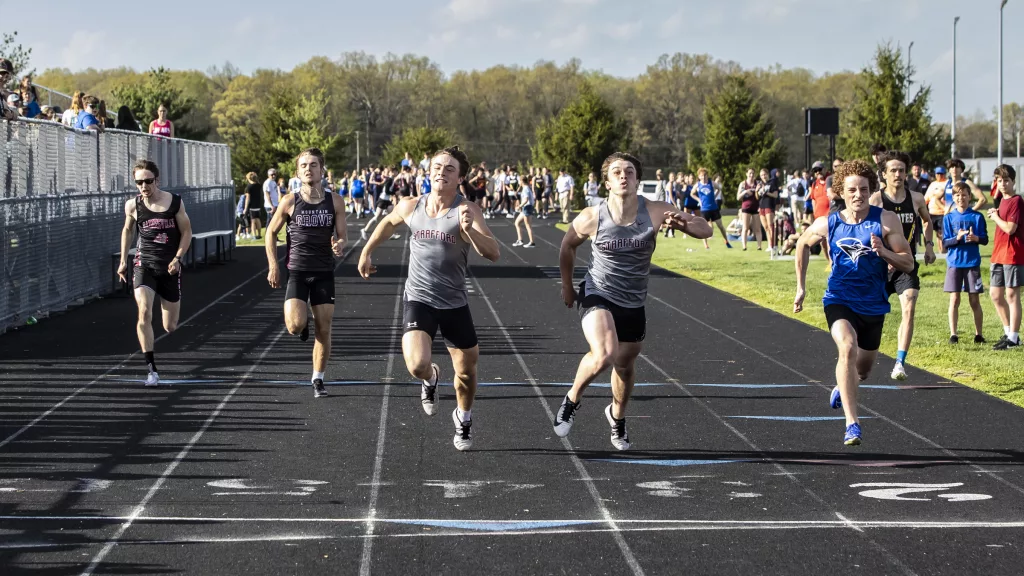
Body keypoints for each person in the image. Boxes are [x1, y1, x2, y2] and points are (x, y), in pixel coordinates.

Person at [554, 152, 712, 450]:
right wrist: (566, 286)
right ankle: (572, 399)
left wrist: (685, 226)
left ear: (638, 179)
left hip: (633, 300)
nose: (623, 175)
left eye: (629, 171)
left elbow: (706, 229)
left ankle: (616, 417)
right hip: (597, 291)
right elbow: (567, 245)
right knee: (604, 353)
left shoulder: (656, 211)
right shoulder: (592, 216)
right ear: (607, 182)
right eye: (616, 172)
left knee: (624, 366)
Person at [358, 146, 500, 451]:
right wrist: (367, 251)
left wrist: (469, 232)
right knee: (417, 365)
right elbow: (388, 222)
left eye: (449, 169)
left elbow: (493, 253)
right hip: (419, 298)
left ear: (461, 177)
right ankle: (431, 377)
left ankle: (463, 418)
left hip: (453, 303)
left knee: (465, 373)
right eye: (437, 166)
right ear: (428, 171)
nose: (441, 172)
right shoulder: (412, 206)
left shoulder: (468, 210)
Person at [793, 159, 914, 446]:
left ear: (871, 189)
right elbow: (801, 244)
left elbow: (907, 262)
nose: (858, 195)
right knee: (846, 347)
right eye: (852, 190)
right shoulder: (828, 222)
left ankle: (842, 386)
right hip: (839, 298)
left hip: (873, 302)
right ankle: (852, 424)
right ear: (841, 192)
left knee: (863, 371)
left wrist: (884, 252)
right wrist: (801, 287)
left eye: (863, 189)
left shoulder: (886, 220)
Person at [264, 148, 348, 398]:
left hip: (323, 271)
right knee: (294, 325)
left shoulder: (335, 201)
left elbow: (342, 235)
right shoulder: (290, 201)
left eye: (313, 165)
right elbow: (270, 232)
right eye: (304, 166)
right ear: (298, 172)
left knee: (324, 328)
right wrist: (273, 265)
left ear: (322, 170)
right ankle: (302, 325)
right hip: (297, 271)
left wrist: (340, 244)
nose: (309, 169)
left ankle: (318, 378)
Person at [117, 159, 193, 386]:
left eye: (148, 181)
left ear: (157, 180)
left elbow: (187, 231)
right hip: (144, 265)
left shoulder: (174, 202)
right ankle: (151, 369)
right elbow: (127, 230)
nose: (144, 186)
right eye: (139, 182)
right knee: (144, 312)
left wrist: (178, 258)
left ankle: (166, 319)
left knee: (170, 326)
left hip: (169, 267)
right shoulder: (133, 205)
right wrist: (123, 260)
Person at [868, 150, 936, 381]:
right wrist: (882, 255)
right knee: (871, 316)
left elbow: (927, 221)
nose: (898, 174)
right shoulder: (876, 200)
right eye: (893, 171)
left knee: (909, 305)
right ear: (884, 174)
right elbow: (865, 229)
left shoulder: (916, 198)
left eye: (901, 170)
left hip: (905, 264)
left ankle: (899, 363)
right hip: (879, 266)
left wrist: (928, 245)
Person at [943, 182, 988, 344]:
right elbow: (945, 243)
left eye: (964, 195)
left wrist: (976, 238)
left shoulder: (977, 217)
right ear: (953, 197)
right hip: (954, 263)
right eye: (957, 195)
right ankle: (953, 334)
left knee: (974, 300)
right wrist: (958, 238)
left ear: (970, 197)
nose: (961, 198)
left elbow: (985, 239)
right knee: (954, 299)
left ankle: (979, 334)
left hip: (972, 263)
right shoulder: (948, 218)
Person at [988, 164, 1024, 350]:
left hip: (1012, 253)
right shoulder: (1001, 200)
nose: (1002, 184)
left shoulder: (1016, 201)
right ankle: (1009, 332)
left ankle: (1014, 337)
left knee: (1011, 295)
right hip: (998, 253)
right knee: (995, 295)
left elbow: (1010, 228)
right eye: (999, 180)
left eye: (1006, 180)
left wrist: (994, 217)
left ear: (1013, 181)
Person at [690, 167, 732, 250]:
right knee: (704, 227)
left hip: (714, 208)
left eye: (705, 175)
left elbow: (719, 188)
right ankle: (706, 245)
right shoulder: (698, 185)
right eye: (702, 175)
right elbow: (692, 193)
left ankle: (726, 241)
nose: (704, 177)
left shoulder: (711, 183)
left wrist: (715, 196)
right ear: (699, 176)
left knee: (720, 226)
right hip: (704, 209)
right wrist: (699, 200)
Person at [362, 167, 402, 241]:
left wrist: (396, 190)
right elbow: (386, 191)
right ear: (393, 172)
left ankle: (391, 233)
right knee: (376, 217)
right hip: (383, 200)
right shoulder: (389, 179)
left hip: (387, 200)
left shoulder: (391, 180)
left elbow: (389, 189)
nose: (397, 173)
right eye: (396, 172)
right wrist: (394, 193)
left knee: (391, 216)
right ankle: (364, 230)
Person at [924, 166, 949, 253]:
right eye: (938, 174)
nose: (939, 176)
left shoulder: (947, 183)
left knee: (941, 232)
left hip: (943, 212)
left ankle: (943, 250)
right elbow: (926, 198)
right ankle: (940, 251)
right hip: (932, 212)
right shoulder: (933, 184)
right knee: (935, 233)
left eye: (941, 174)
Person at [736, 168, 762, 251]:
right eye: (750, 173)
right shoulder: (743, 184)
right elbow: (738, 198)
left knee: (757, 228)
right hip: (746, 208)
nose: (751, 175)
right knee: (745, 227)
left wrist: (757, 191)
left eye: (753, 173)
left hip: (755, 207)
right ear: (746, 174)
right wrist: (745, 192)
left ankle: (759, 246)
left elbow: (759, 197)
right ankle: (744, 246)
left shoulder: (757, 183)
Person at [757, 168, 780, 257]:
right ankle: (769, 245)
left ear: (768, 174)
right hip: (761, 206)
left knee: (771, 226)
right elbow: (757, 196)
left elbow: (775, 195)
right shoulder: (760, 184)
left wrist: (766, 192)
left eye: (765, 174)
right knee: (765, 227)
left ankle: (773, 245)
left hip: (769, 205)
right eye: (762, 175)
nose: (763, 176)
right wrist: (757, 190)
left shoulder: (772, 182)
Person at [513, 174, 536, 248]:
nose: (519, 182)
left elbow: (526, 200)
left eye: (519, 181)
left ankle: (532, 242)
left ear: (522, 181)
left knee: (528, 225)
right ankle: (520, 240)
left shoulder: (526, 188)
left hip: (527, 207)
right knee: (517, 223)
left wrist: (520, 206)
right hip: (526, 208)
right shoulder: (526, 188)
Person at [244, 171, 264, 240]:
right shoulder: (258, 185)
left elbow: (247, 198)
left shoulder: (249, 187)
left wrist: (245, 208)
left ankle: (254, 236)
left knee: (253, 221)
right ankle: (259, 234)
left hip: (252, 206)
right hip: (258, 205)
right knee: (258, 219)